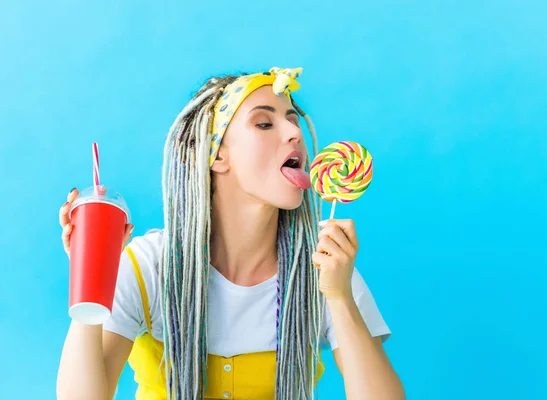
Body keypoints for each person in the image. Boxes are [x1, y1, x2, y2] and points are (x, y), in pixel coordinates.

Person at [57, 67, 405, 400]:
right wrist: (91, 279)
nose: (294, 134)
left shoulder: (324, 265)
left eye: (293, 120)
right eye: (265, 123)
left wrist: (340, 296)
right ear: (217, 155)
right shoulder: (150, 264)